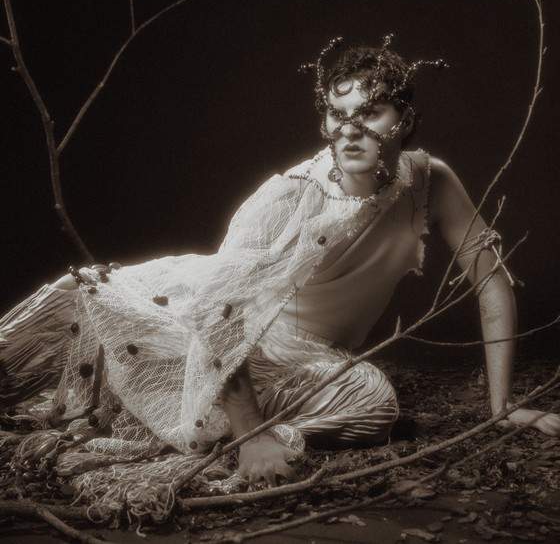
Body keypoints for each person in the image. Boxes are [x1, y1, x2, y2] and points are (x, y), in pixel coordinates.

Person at [2, 35, 559, 492]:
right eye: (338, 114)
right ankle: (217, 416)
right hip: (238, 336)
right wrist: (252, 437)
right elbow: (220, 312)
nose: (351, 129)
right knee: (371, 399)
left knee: (370, 404)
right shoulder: (291, 195)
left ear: (406, 119)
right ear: (324, 123)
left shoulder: (428, 179)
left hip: (313, 357)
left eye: (371, 112)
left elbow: (491, 281)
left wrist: (501, 406)